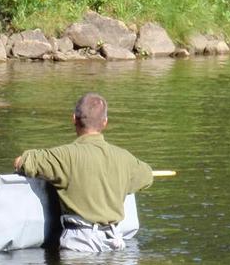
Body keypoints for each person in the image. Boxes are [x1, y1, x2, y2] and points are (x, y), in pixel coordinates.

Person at [13, 93, 153, 253]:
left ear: (74, 119)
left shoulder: (63, 156)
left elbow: (22, 162)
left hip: (80, 244)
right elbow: (147, 176)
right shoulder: (125, 158)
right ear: (105, 122)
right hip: (115, 243)